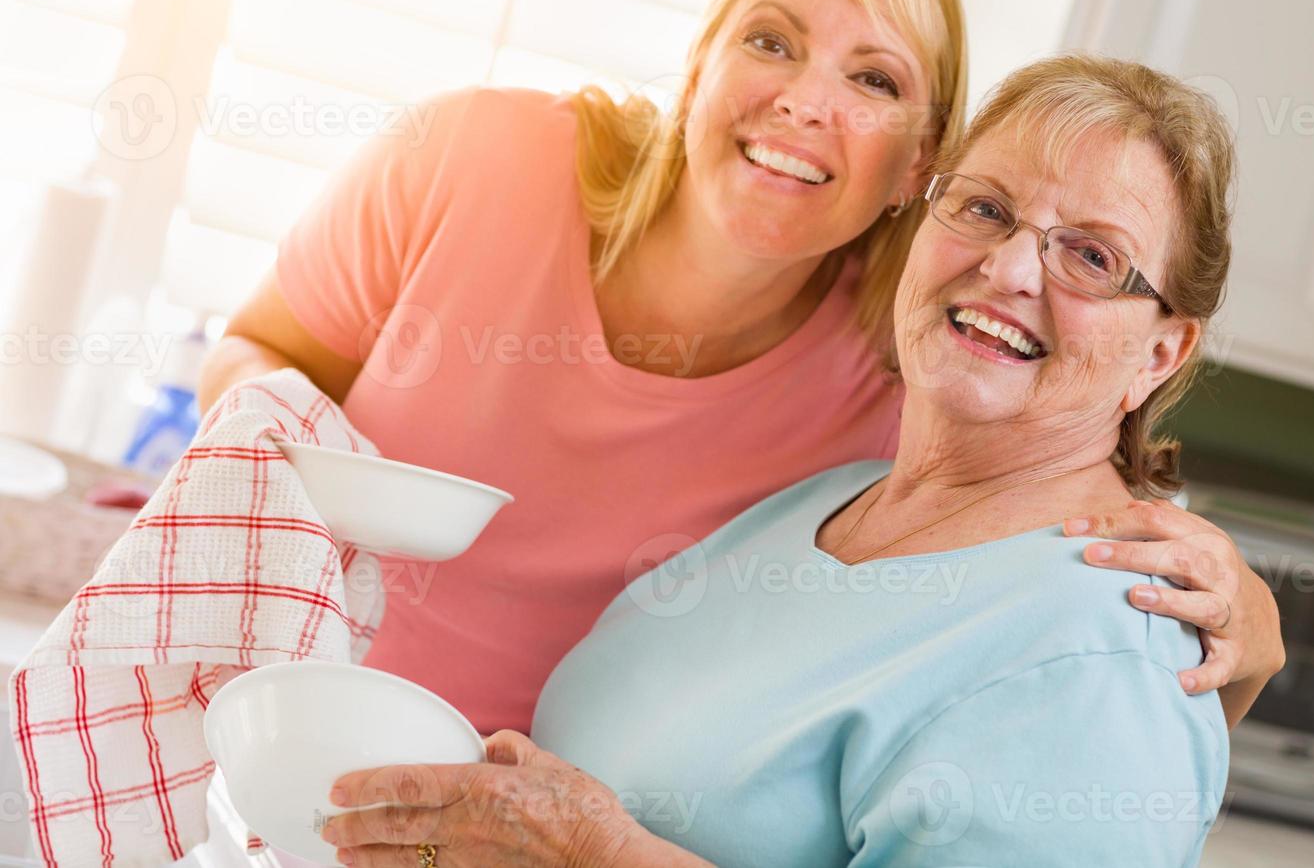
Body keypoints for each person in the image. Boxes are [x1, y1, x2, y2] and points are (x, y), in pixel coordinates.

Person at [322, 53, 1243, 867]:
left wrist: (590, 857)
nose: (1008, 269)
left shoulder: (1102, 663)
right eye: (985, 208)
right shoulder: (826, 501)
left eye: (1090, 256)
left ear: (1162, 353)